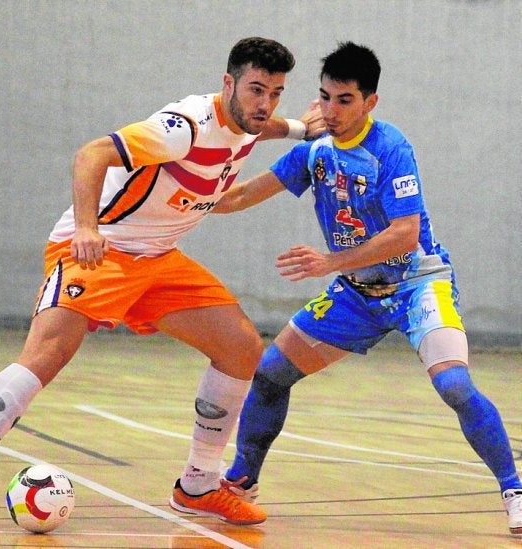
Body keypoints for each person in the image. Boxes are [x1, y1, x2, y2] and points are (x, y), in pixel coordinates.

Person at [0, 36, 325, 529]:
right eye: (257, 90)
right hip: (100, 249)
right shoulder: (184, 127)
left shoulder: (250, 120)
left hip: (159, 259)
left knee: (241, 348)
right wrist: (86, 229)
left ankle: (197, 485)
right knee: (45, 356)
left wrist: (299, 129)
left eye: (275, 93)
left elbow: (263, 126)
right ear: (228, 84)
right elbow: (91, 155)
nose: (265, 104)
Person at [214, 41, 522, 535]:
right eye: (325, 98)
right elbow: (241, 195)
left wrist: (328, 262)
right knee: (270, 374)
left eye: (345, 100)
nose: (331, 111)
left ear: (370, 102)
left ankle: (514, 490)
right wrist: (183, 192)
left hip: (417, 283)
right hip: (357, 292)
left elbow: (404, 234)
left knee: (454, 385)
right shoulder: (314, 151)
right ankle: (240, 482)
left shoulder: (390, 147)